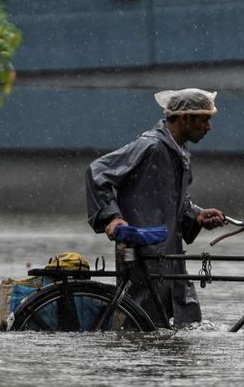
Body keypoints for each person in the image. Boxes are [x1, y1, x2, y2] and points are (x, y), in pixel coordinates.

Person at [85, 88, 226, 327]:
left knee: (184, 322)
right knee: (140, 323)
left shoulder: (179, 152)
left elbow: (174, 203)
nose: (208, 127)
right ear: (184, 118)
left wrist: (197, 214)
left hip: (169, 253)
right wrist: (113, 218)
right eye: (204, 120)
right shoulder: (150, 146)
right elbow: (98, 172)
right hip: (143, 252)